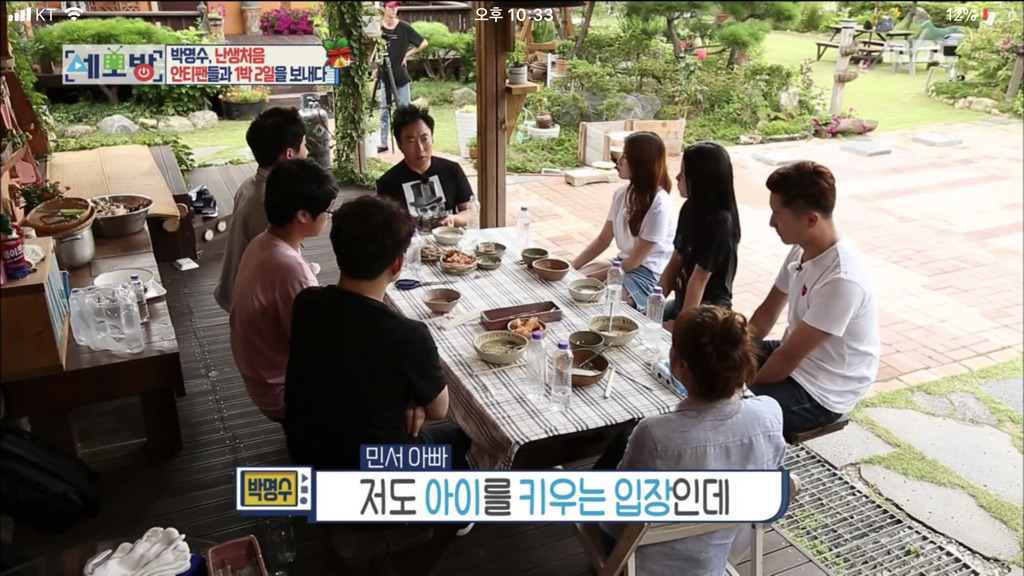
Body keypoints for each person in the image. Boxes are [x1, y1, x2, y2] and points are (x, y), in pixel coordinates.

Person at [283, 195, 471, 471]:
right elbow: (439, 409)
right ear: (397, 264)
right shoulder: (409, 336)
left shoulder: (306, 303)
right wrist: (413, 400)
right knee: (470, 441)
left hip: (308, 454)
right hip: (377, 468)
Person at [597, 305, 786, 576]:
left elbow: (617, 521)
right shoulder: (769, 414)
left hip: (649, 566)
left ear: (681, 365)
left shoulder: (655, 435)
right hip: (717, 558)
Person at [747, 161, 879, 438]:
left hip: (824, 388)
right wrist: (733, 347)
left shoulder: (842, 280)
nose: (771, 222)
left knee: (732, 411)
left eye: (777, 214)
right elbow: (767, 313)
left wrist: (737, 387)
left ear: (810, 220)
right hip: (796, 357)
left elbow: (787, 358)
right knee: (714, 360)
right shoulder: (801, 250)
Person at [229, 159, 336, 423]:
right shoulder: (291, 269)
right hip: (281, 391)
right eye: (327, 210)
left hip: (259, 376)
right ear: (303, 215)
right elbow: (319, 347)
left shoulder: (261, 242)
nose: (329, 215)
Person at [214, 107, 308, 313]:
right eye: (304, 145)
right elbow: (278, 266)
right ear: (289, 154)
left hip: (237, 287)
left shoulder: (250, 185)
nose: (307, 152)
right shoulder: (270, 202)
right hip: (252, 301)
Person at [570, 132, 677, 312]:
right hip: (620, 264)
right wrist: (570, 268)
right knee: (574, 278)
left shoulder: (659, 205)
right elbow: (603, 240)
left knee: (596, 297)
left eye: (625, 156)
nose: (618, 161)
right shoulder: (621, 193)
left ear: (640, 163)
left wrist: (589, 282)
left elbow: (634, 262)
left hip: (646, 276)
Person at [660, 142, 742, 331]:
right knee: (642, 321)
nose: (677, 177)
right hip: (684, 303)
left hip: (709, 313)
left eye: (683, 174)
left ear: (701, 180)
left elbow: (699, 279)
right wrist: (653, 301)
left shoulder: (721, 222)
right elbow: (675, 261)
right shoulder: (689, 208)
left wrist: (681, 327)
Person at [376, 105, 473, 228]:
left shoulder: (452, 170)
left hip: (447, 237)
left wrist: (453, 218)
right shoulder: (388, 182)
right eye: (411, 141)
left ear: (432, 139)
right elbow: (387, 226)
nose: (420, 148)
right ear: (400, 145)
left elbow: (469, 211)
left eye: (424, 139)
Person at [376, 0, 428, 153]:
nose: (394, 10)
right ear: (384, 8)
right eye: (391, 7)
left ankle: (407, 141)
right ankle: (383, 143)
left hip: (401, 76)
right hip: (384, 75)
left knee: (405, 112)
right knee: (384, 111)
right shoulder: (378, 28)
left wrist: (407, 54)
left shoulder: (404, 27)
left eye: (396, 7)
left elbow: (423, 43)